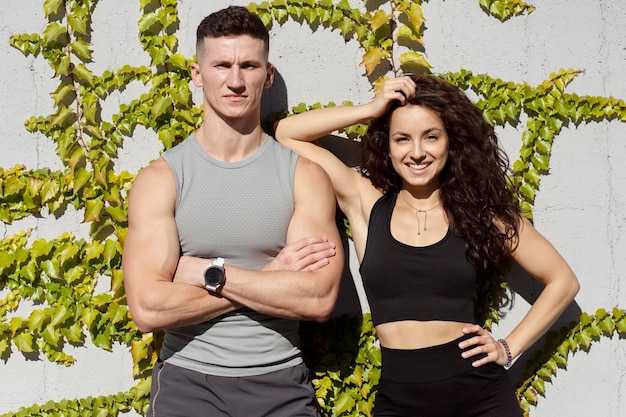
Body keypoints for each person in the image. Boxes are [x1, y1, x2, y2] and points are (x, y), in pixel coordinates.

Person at [274, 73, 580, 416]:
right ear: (387, 147)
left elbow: (563, 281)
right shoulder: (368, 205)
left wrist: (508, 348)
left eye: (431, 137)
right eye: (402, 139)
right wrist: (371, 109)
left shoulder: (481, 212)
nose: (417, 152)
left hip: (480, 397)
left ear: (451, 142)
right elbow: (287, 134)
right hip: (399, 401)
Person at [122, 6, 344, 417]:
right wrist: (269, 277)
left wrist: (211, 274)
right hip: (189, 384)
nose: (236, 80)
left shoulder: (304, 177)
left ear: (268, 74)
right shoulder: (162, 179)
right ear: (197, 73)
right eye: (222, 65)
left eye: (249, 65)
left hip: (281, 382)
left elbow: (317, 298)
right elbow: (149, 308)